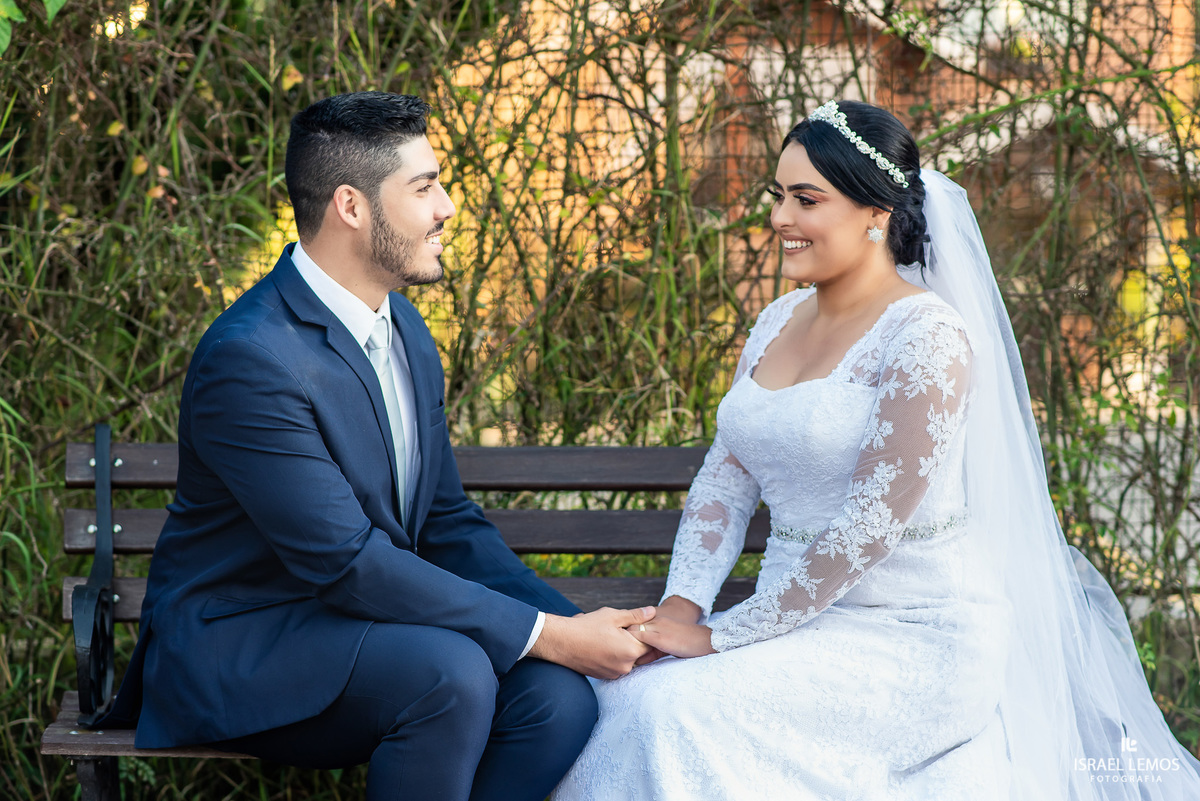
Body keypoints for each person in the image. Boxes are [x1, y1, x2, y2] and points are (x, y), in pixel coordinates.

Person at [552, 100, 1200, 800]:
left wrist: (720, 636)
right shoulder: (775, 322)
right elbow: (725, 480)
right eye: (778, 196)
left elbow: (871, 525)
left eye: (806, 199)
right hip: (794, 623)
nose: (778, 219)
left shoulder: (927, 337)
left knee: (667, 708)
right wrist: (681, 606)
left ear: (876, 213)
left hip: (914, 638)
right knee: (606, 696)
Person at [97, 91, 658, 801]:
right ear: (351, 207)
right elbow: (346, 562)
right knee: (448, 672)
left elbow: (447, 522)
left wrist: (570, 630)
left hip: (359, 628)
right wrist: (545, 630)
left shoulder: (403, 330)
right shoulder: (251, 358)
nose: (447, 205)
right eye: (423, 187)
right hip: (240, 646)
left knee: (557, 697)